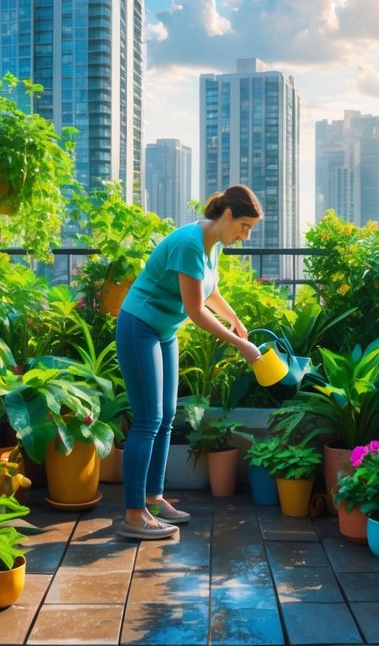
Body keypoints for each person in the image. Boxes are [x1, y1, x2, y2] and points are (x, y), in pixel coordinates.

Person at [113, 185, 264, 540]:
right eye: (244, 226)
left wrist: (235, 319)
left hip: (164, 331)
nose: (245, 235)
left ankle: (153, 497)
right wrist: (240, 344)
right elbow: (195, 311)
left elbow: (208, 291)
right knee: (148, 419)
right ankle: (134, 515)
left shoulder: (212, 246)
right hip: (140, 326)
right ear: (227, 215)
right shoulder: (190, 243)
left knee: (166, 417)